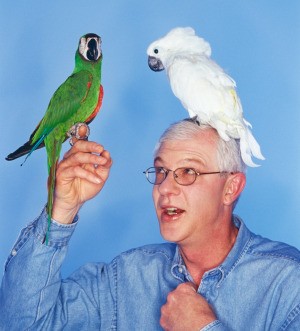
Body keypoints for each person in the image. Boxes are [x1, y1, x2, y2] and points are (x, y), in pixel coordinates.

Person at [0, 118, 299, 330]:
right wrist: (61, 210)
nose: (165, 188)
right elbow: (21, 324)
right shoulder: (124, 278)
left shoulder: (288, 284)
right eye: (161, 171)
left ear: (231, 188)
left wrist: (204, 328)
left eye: (188, 172)